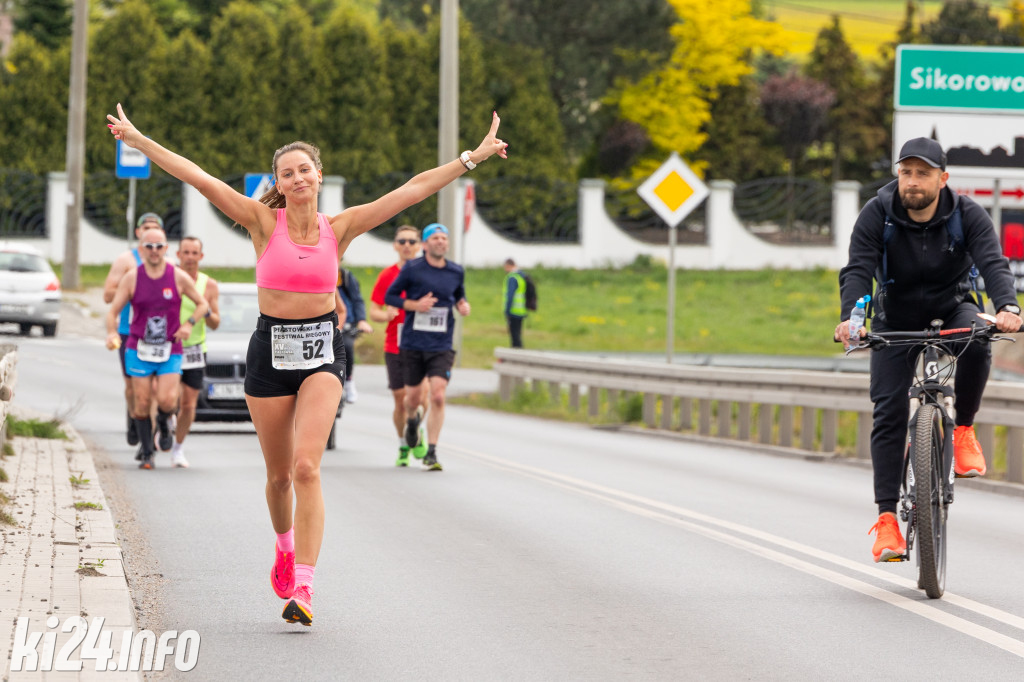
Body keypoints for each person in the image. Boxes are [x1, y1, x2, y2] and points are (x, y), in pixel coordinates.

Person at [107, 103, 507, 625]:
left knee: (306, 467)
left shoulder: (338, 228)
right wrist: (139, 141)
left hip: (322, 350)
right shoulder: (259, 221)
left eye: (305, 170)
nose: (297, 178)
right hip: (270, 350)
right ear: (277, 181)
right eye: (287, 172)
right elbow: (198, 176)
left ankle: (305, 589)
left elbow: (414, 189)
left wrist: (470, 159)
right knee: (277, 479)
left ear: (318, 175)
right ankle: (283, 547)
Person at [835, 137, 1023, 563]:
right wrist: (852, 319)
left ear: (943, 178)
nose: (913, 182)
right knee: (888, 411)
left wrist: (1008, 306)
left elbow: (993, 263)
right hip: (894, 316)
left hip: (951, 305)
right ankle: (887, 521)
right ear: (897, 175)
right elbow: (859, 268)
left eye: (922, 173)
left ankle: (963, 430)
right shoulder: (877, 213)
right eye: (906, 172)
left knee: (979, 338)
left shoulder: (967, 214)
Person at [105, 227, 209, 469]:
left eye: (159, 246)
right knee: (141, 402)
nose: (154, 251)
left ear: (166, 249)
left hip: (170, 348)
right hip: (139, 348)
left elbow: (202, 304)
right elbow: (112, 312)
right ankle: (148, 452)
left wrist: (188, 325)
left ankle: (163, 422)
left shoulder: (177, 276)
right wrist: (111, 332)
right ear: (141, 250)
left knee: (167, 399)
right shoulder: (132, 277)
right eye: (149, 247)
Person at [385, 223, 470, 472]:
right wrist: (415, 305)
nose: (441, 242)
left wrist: (463, 306)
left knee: (438, 396)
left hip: (442, 344)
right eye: (435, 238)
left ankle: (431, 452)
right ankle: (412, 423)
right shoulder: (413, 269)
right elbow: (391, 297)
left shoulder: (456, 271)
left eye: (444, 238)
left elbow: (459, 296)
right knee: (412, 399)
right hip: (413, 343)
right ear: (425, 244)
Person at [103, 213, 165, 447]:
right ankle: (133, 418)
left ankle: (149, 436)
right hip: (129, 330)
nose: (150, 232)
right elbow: (107, 295)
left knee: (156, 387)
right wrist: (130, 285)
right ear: (139, 233)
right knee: (133, 386)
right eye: (146, 228)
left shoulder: (166, 262)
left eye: (155, 228)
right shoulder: (126, 260)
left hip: (158, 334)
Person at [369, 225, 430, 466]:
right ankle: (404, 444)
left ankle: (415, 426)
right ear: (395, 245)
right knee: (400, 399)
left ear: (419, 246)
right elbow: (374, 310)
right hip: (395, 344)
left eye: (412, 242)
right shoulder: (387, 276)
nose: (407, 246)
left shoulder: (428, 273)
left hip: (424, 343)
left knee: (422, 395)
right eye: (402, 241)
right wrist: (387, 315)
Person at [171, 236, 221, 469]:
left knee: (189, 405)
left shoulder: (208, 285)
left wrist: (206, 310)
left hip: (194, 349)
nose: (190, 257)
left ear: (201, 257)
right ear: (178, 255)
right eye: (186, 252)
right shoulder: (168, 277)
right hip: (168, 346)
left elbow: (215, 323)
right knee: (166, 399)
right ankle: (163, 424)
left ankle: (178, 448)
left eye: (194, 253)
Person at [336, 260, 373, 404]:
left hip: (346, 323)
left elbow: (357, 300)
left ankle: (349, 380)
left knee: (347, 346)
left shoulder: (345, 276)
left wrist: (361, 320)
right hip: (323, 324)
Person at [502, 258, 528, 348]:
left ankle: (517, 354)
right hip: (521, 310)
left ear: (509, 266)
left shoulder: (512, 277)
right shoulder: (521, 276)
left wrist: (507, 310)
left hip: (513, 310)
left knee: (514, 336)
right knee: (518, 334)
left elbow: (510, 295)